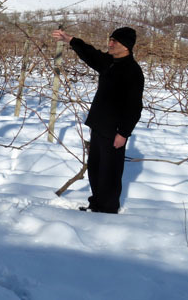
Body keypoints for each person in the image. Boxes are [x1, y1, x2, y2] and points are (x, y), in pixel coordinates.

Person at [52, 26, 144, 214]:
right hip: (99, 125)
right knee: (96, 169)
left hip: (115, 130)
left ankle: (108, 210)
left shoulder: (133, 71)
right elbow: (90, 54)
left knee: (110, 171)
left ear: (126, 46)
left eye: (114, 41)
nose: (110, 43)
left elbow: (135, 107)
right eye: (110, 39)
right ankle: (96, 204)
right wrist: (70, 39)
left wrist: (124, 133)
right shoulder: (110, 62)